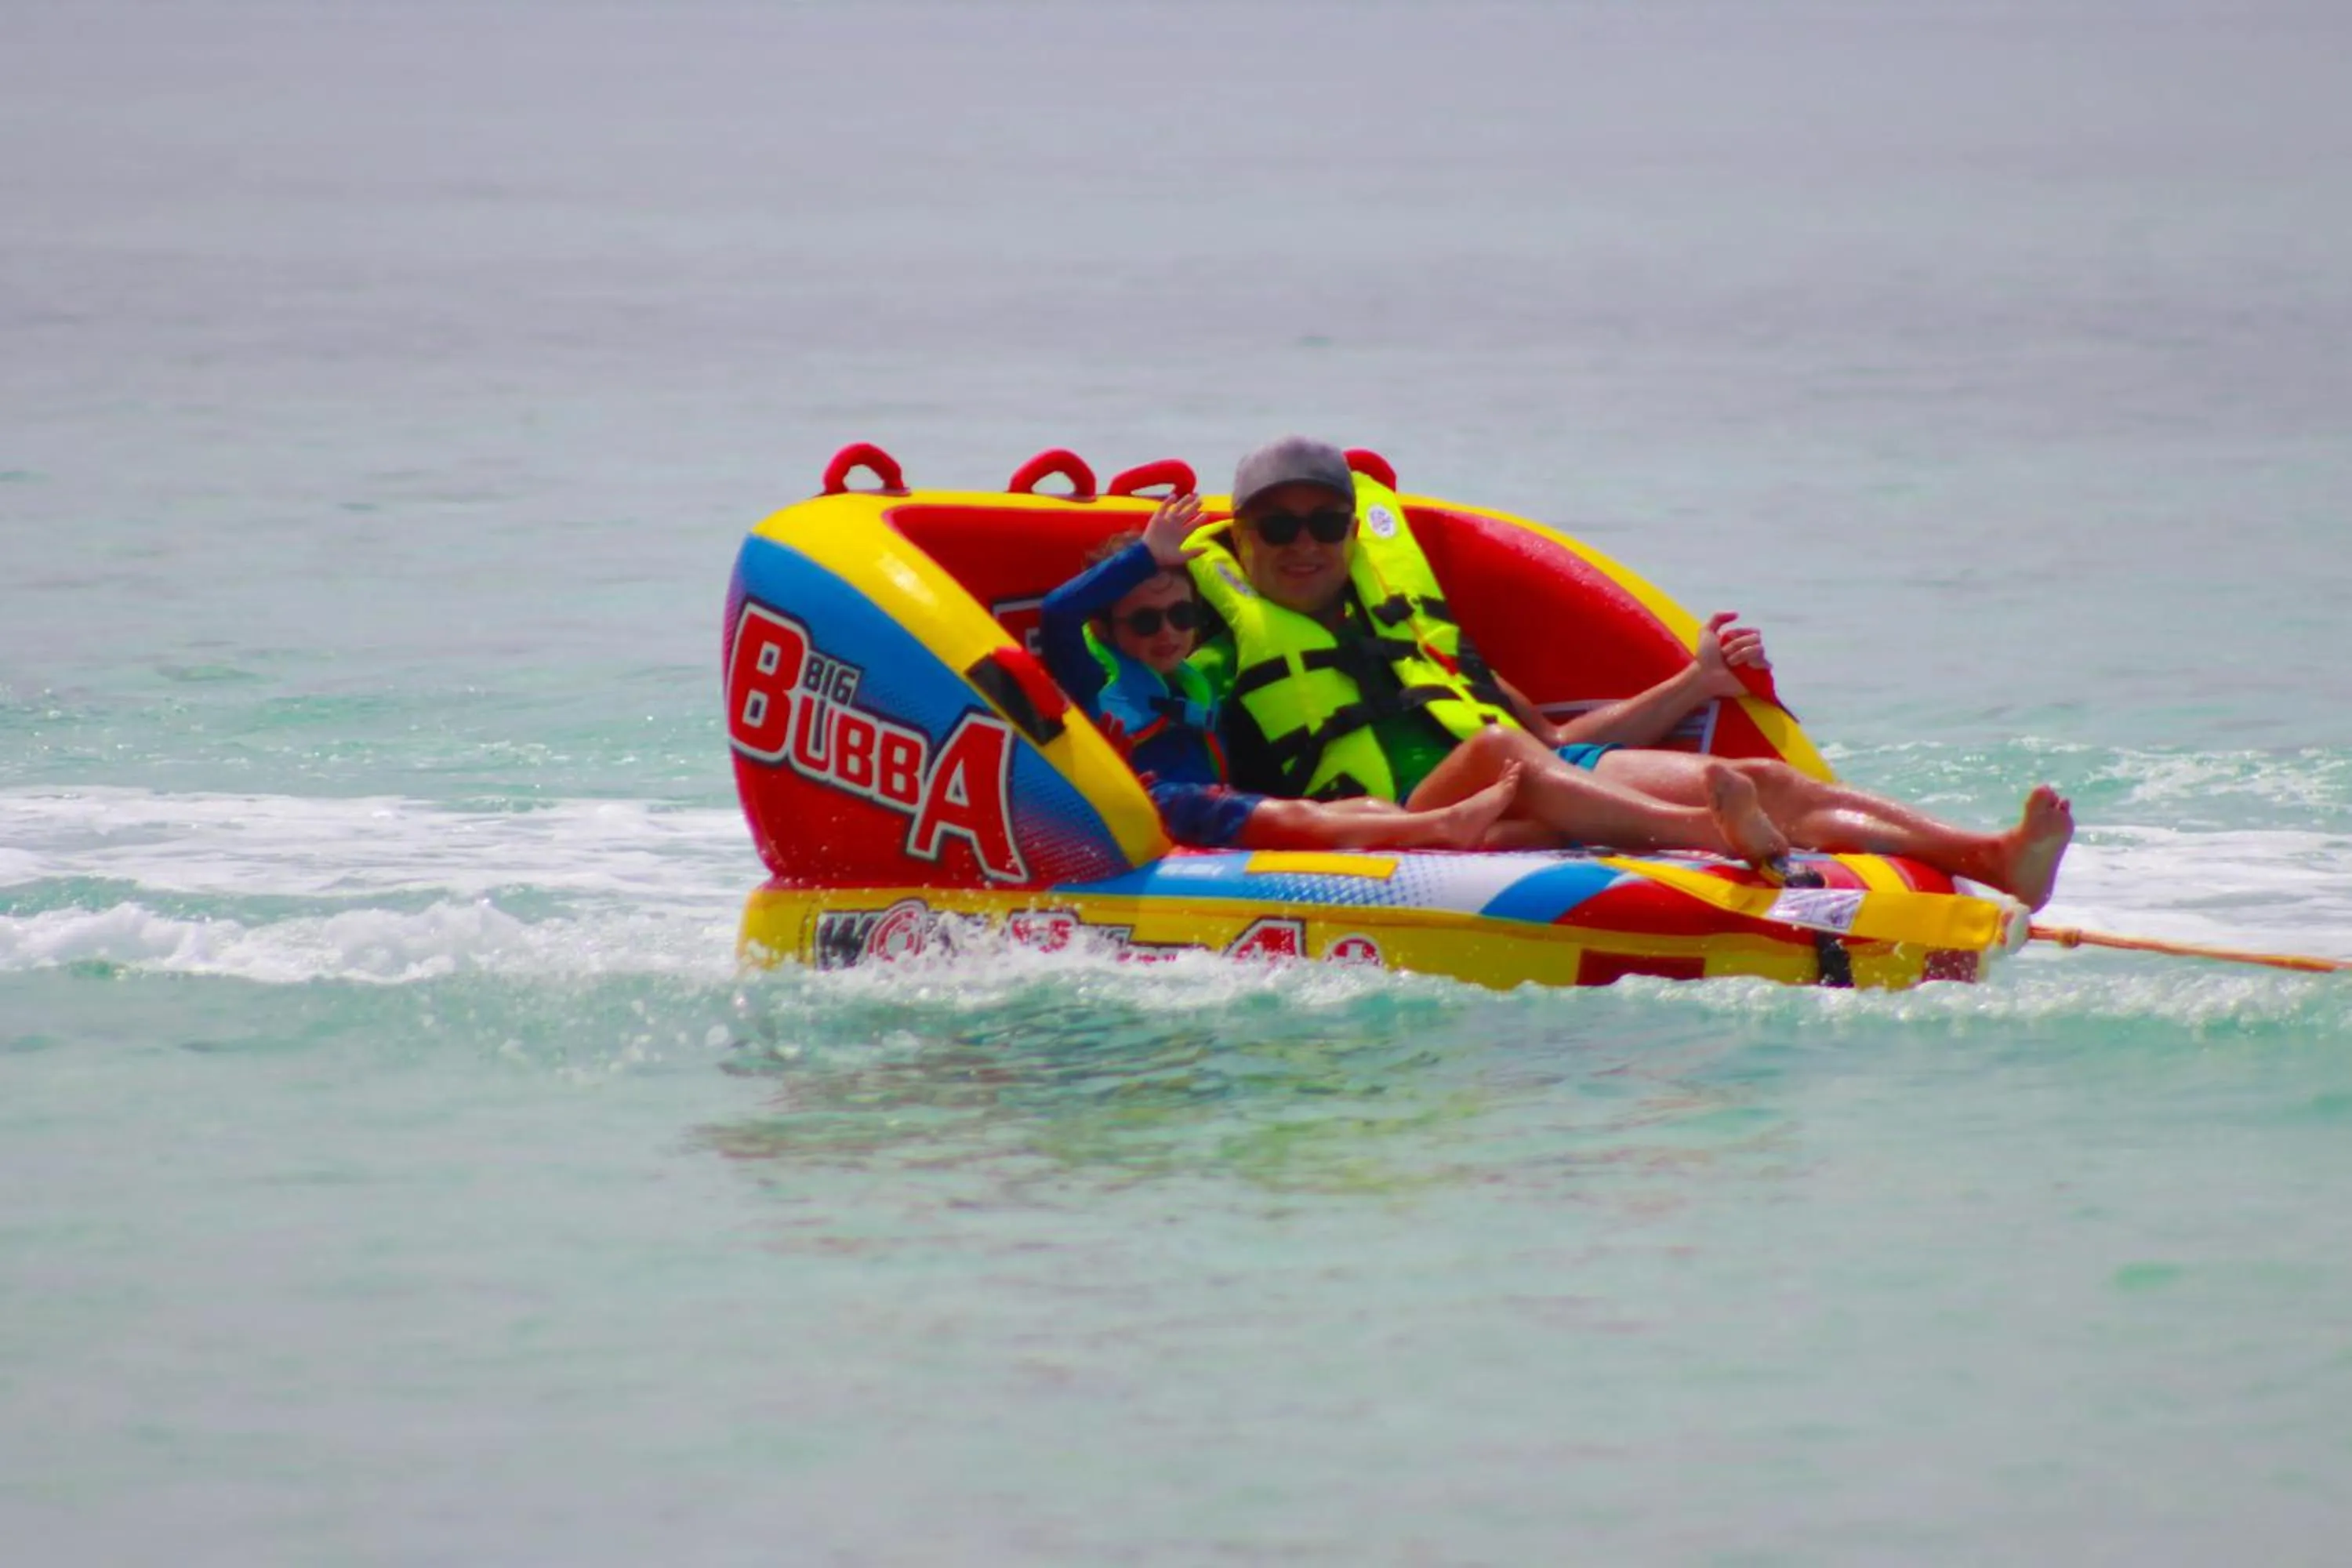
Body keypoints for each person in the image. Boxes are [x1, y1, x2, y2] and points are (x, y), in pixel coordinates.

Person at [1181, 435, 2074, 907]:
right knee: (1501, 753)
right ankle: (1719, 833)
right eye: (1278, 526)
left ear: (1349, 532)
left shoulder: (1418, 635)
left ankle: (1987, 856)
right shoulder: (1215, 652)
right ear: (1245, 536)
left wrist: (1696, 685)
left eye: (1325, 524)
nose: (1304, 545)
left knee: (1759, 775)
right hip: (1415, 819)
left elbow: (1558, 744)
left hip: (1525, 776)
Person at [1038, 493, 1526, 851]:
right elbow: (1058, 612)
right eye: (1145, 621)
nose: (1167, 633)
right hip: (1153, 808)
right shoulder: (1091, 682)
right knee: (1293, 817)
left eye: (1181, 616)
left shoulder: (1192, 682)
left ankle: (1440, 834)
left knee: (1367, 811)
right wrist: (1143, 557)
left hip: (1206, 812)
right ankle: (1443, 827)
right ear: (1102, 629)